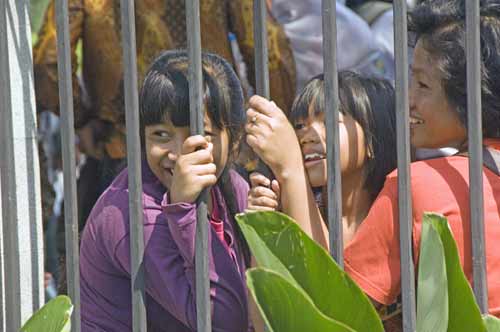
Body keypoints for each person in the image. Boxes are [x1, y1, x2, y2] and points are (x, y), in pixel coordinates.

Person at [244, 0, 500, 329]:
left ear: (470, 93)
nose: (408, 99)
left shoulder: (417, 184)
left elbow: (339, 310)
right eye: (300, 125)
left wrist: (290, 168)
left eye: (423, 84)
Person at [33, 0, 296, 226]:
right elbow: (270, 49)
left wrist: (82, 119)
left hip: (123, 150)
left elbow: (49, 61)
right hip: (213, 146)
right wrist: (264, 126)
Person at [79, 51, 253, 331]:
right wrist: (183, 209)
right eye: (161, 135)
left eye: (199, 134)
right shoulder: (131, 214)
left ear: (234, 141)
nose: (178, 154)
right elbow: (225, 321)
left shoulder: (233, 187)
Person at [247, 71, 397, 246]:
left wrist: (291, 168)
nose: (306, 136)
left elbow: (325, 271)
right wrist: (263, 222)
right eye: (299, 126)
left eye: (329, 122)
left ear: (372, 141)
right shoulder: (285, 204)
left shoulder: (396, 217)